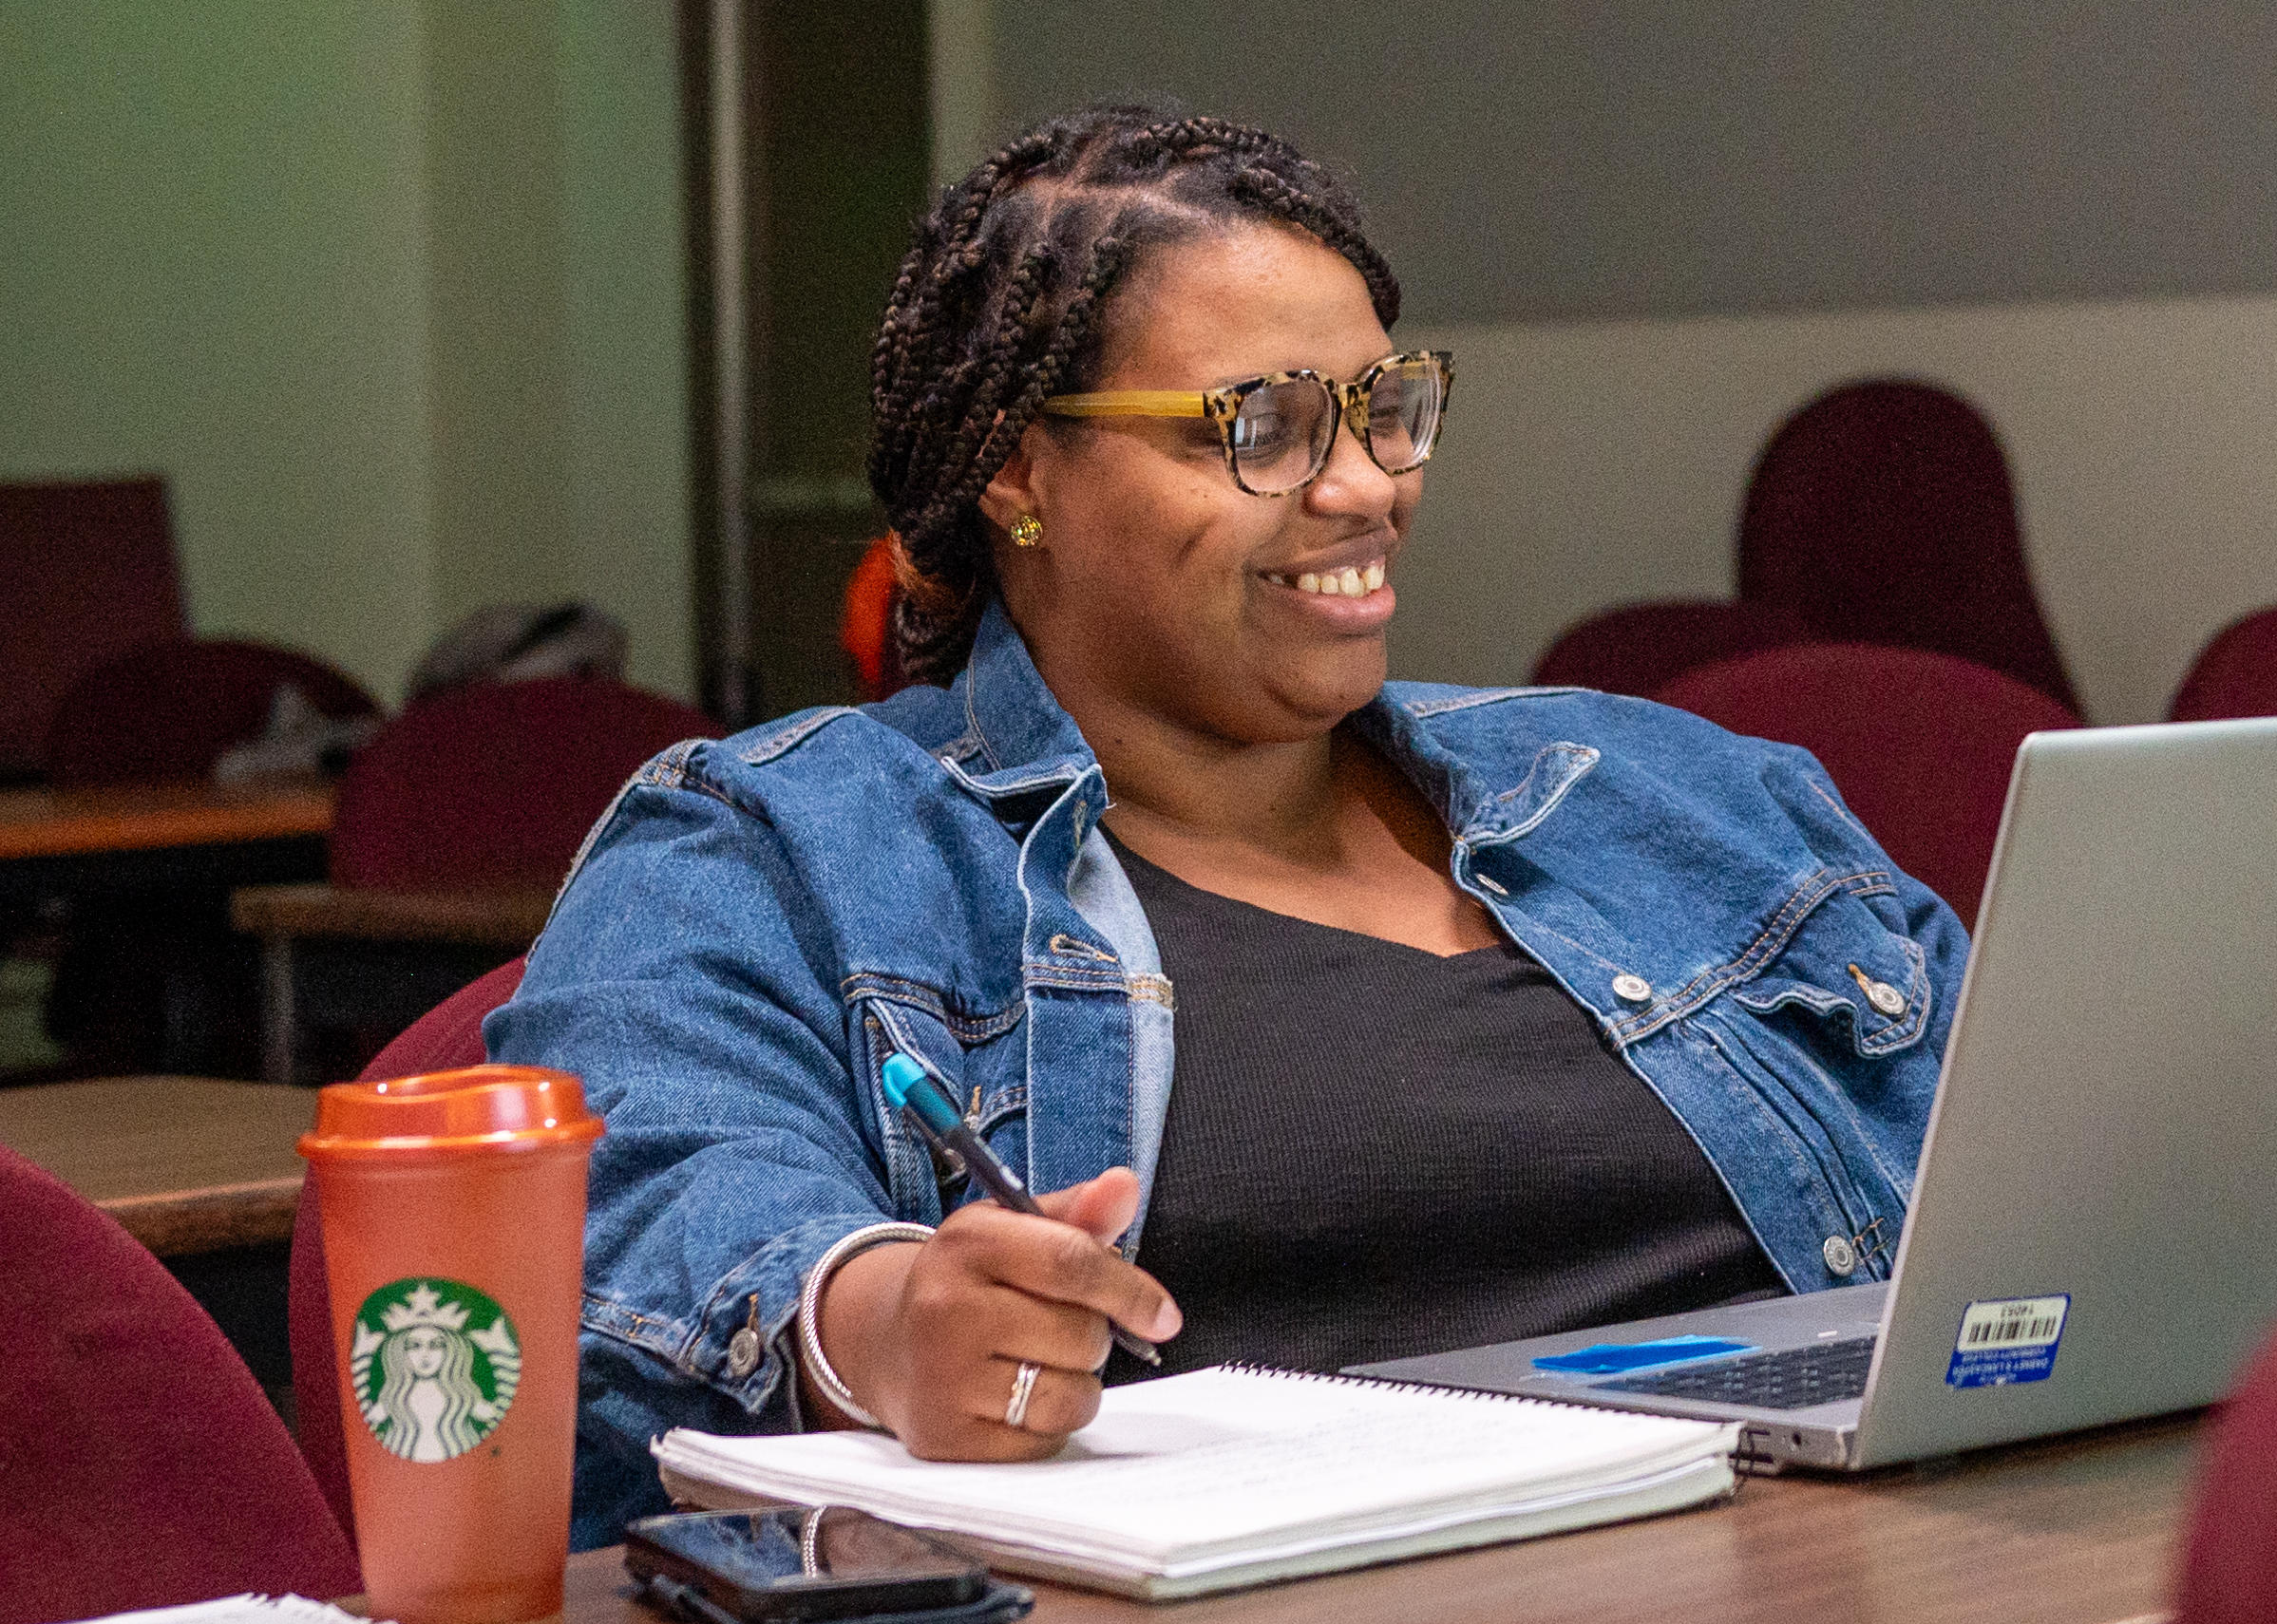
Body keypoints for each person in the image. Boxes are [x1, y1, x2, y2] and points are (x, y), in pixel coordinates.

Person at [496, 105, 1965, 1543]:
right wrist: (882, 1322)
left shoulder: (1667, 788)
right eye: (1260, 424)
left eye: (1388, 409)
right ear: (1018, 468)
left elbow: (2032, 1172)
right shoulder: (776, 846)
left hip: (1854, 1553)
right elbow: (642, 1212)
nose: (1364, 486)